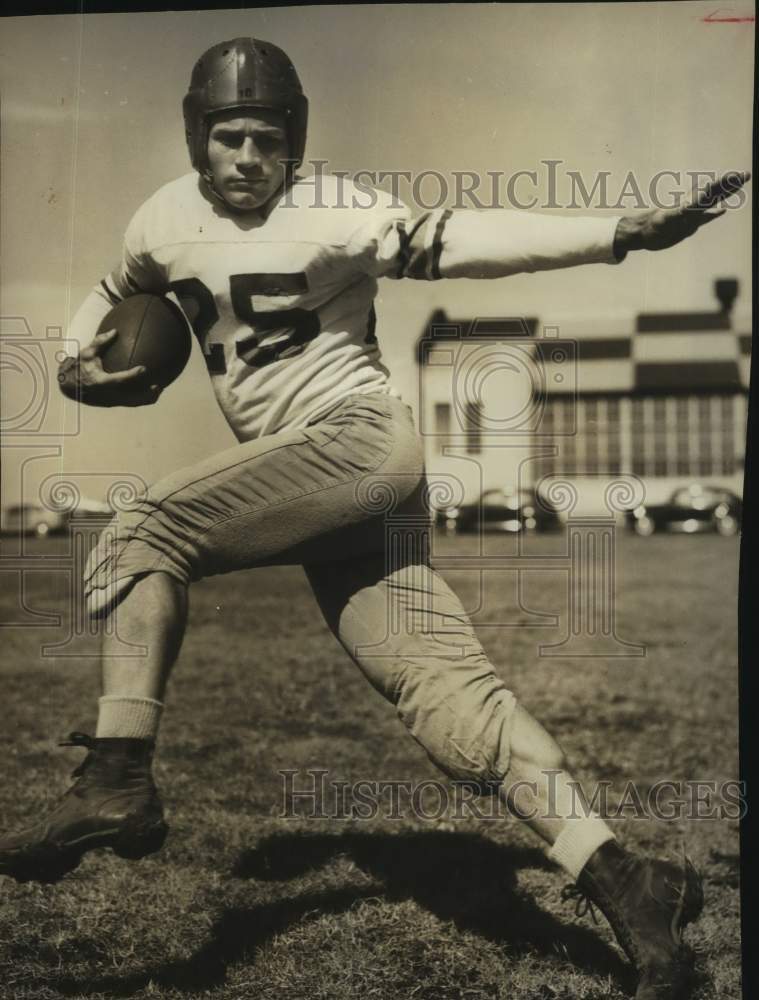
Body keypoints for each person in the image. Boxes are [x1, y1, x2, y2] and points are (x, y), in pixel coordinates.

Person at [0, 37, 748, 1000]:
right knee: (450, 710)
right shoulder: (159, 219)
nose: (246, 158)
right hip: (325, 497)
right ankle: (632, 883)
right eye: (228, 136)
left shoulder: (336, 209)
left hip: (358, 443)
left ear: (294, 143)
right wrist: (73, 364)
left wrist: (619, 233)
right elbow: (113, 288)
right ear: (198, 136)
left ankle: (116, 773)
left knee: (144, 528)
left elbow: (468, 242)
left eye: (265, 139)